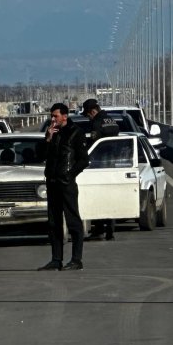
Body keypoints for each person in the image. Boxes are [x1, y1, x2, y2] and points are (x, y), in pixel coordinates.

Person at [40, 102, 88, 271]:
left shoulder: (76, 133)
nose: (52, 119)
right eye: (51, 116)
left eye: (55, 116)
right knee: (54, 223)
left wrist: (69, 174)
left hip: (66, 184)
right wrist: (48, 139)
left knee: (73, 221)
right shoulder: (52, 133)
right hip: (52, 183)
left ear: (65, 116)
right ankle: (56, 259)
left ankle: (76, 259)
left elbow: (84, 160)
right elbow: (41, 156)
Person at [80, 98, 120, 241]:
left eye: (87, 114)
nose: (88, 117)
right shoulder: (111, 120)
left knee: (97, 198)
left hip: (100, 165)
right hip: (114, 165)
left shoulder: (96, 123)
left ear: (93, 111)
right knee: (110, 199)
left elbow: (93, 144)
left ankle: (99, 229)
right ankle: (110, 230)